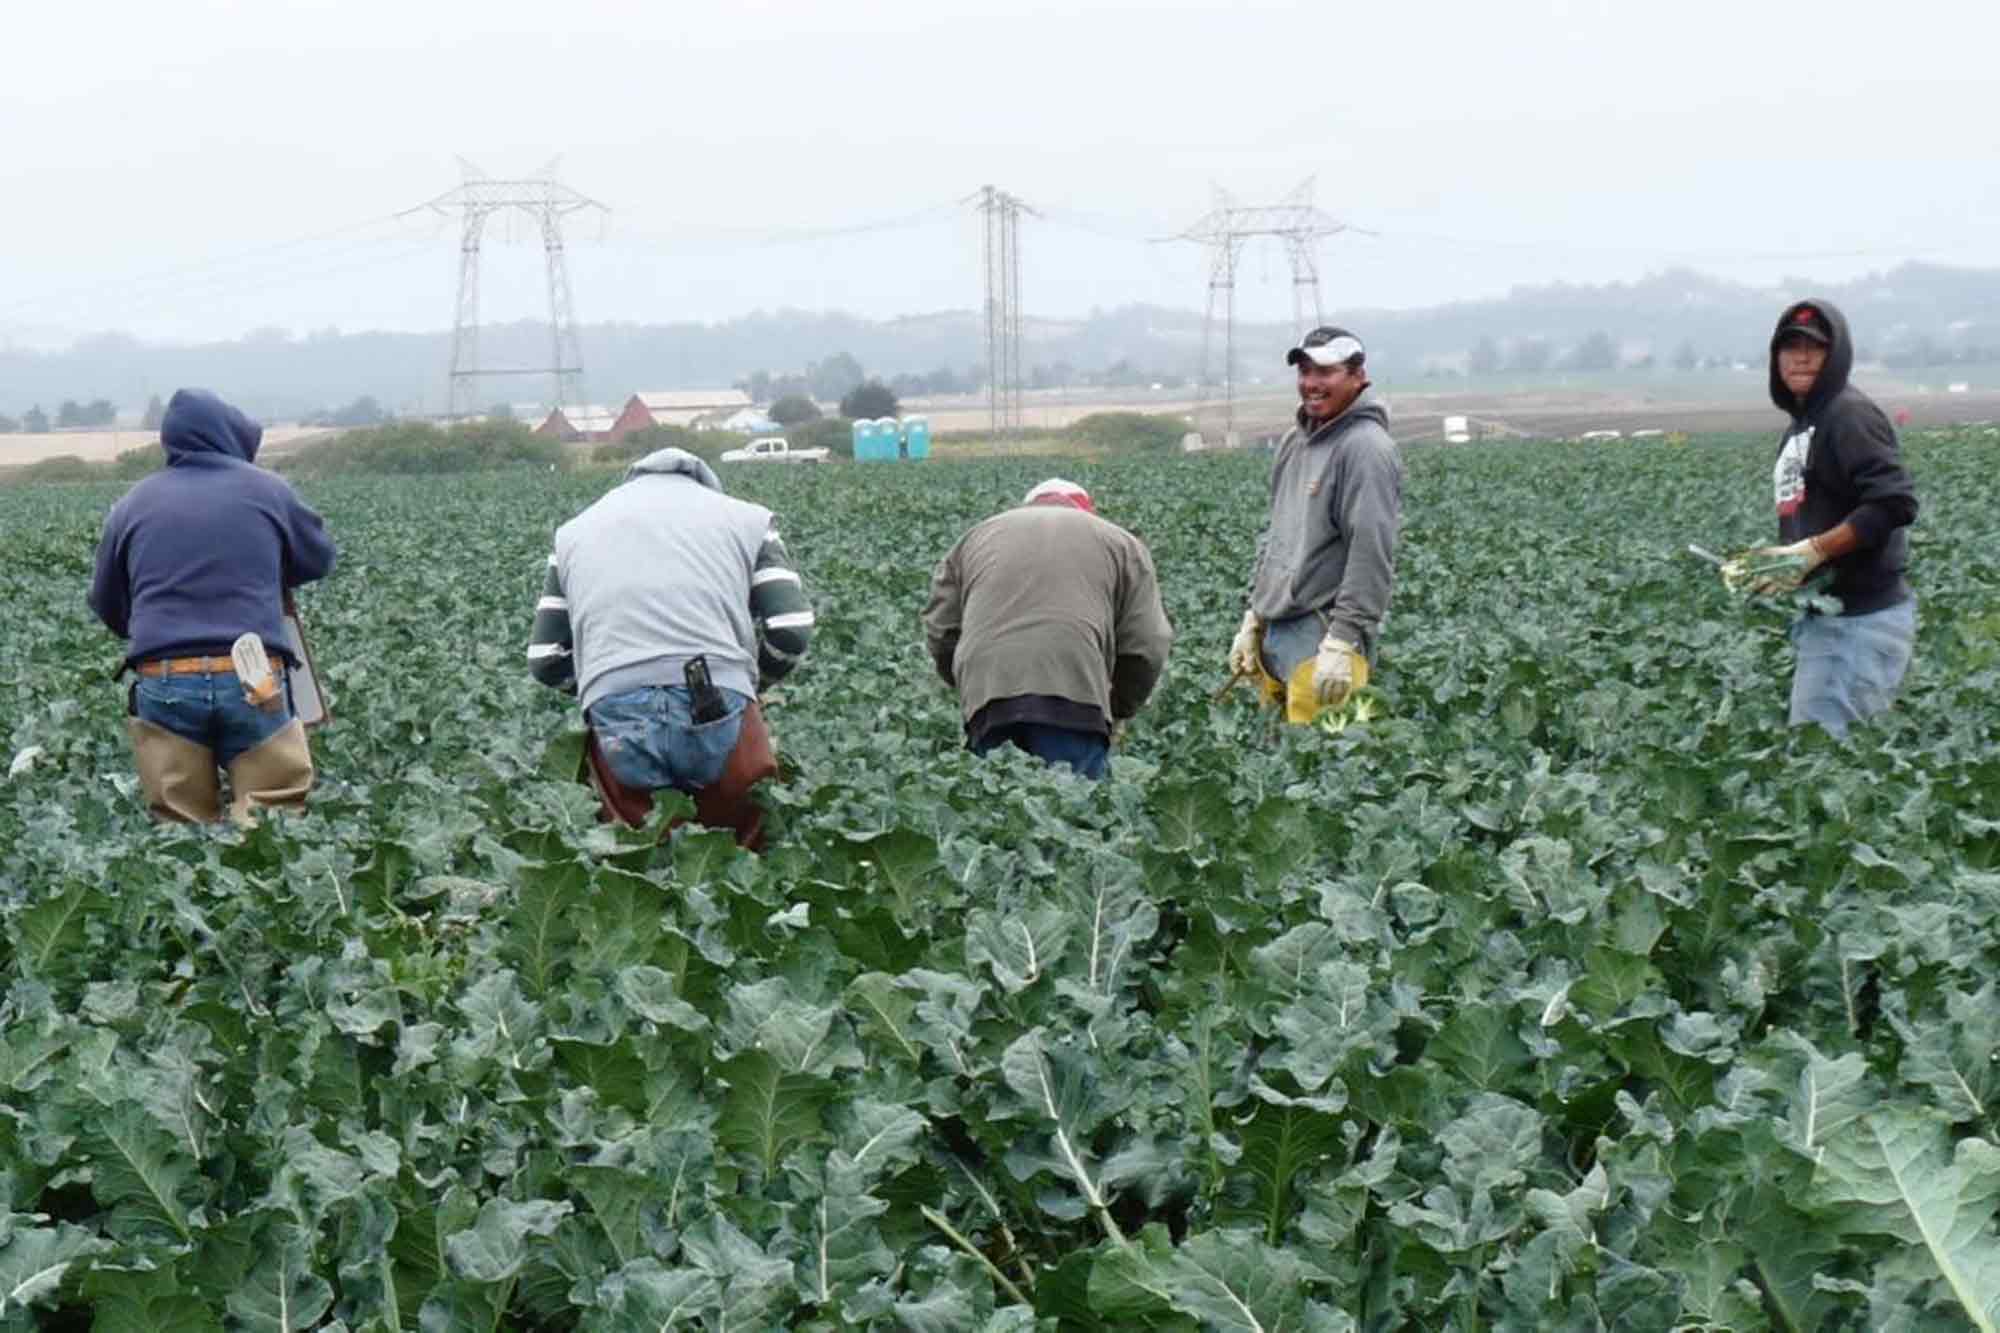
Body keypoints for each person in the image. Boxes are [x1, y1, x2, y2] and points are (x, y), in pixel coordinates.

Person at [527, 447, 811, 848]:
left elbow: (544, 659)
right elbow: (791, 630)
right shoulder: (748, 519)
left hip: (615, 706)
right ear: (707, 485)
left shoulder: (573, 532)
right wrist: (753, 685)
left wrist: (606, 685)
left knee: (636, 858)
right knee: (744, 848)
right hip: (720, 692)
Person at [88, 388, 336, 823]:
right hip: (253, 672)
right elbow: (319, 558)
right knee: (270, 821)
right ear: (233, 438)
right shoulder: (268, 490)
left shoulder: (131, 505)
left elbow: (107, 602)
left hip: (164, 679)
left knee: (178, 830)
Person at [1732, 298, 1918, 735]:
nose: (1800, 356)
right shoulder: (1804, 424)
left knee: (1823, 774)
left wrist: (1814, 551)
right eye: (1789, 346)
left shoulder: (1846, 414)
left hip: (1858, 625)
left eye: (1814, 347)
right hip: (1829, 622)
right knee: (1822, 769)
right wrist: (1784, 564)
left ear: (1836, 357)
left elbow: (1895, 502)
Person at [923, 477, 1172, 779]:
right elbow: (1147, 643)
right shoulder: (1121, 543)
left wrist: (970, 685)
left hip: (989, 697)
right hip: (1074, 697)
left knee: (993, 812)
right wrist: (1119, 707)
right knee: (1074, 812)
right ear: (1087, 510)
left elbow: (941, 629)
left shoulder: (976, 536)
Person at [1229, 326, 1403, 724]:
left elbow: (1370, 552)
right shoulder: (1295, 442)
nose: (1311, 384)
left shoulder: (1366, 449)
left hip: (1321, 634)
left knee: (1321, 770)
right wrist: (1254, 615)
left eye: (1326, 372)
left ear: (1359, 377)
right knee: (1279, 770)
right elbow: (1277, 535)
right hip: (1278, 631)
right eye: (1305, 372)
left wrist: (1342, 640)